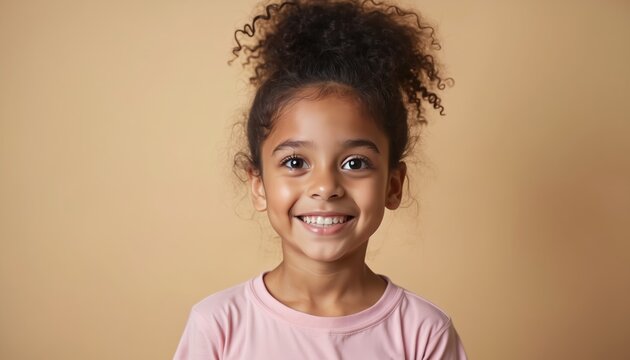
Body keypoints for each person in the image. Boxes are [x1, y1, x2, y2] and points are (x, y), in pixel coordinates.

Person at [173, 0, 467, 358]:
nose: (326, 187)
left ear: (393, 185)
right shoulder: (218, 325)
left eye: (355, 163)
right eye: (296, 161)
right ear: (259, 185)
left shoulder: (423, 332)